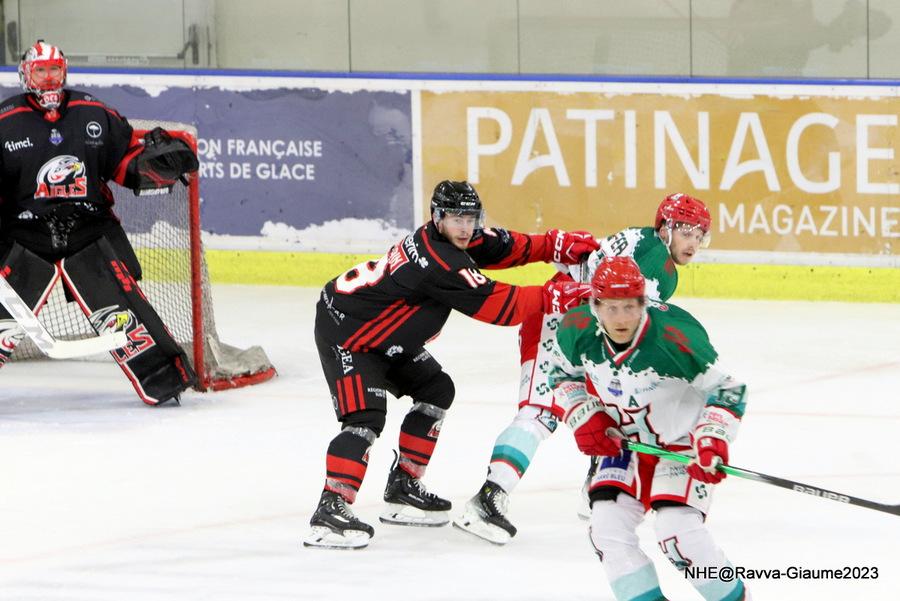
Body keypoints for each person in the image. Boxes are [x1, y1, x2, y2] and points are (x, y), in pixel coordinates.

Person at [304, 180, 599, 549]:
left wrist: (551, 244)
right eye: (457, 219)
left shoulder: (453, 238)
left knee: (436, 389)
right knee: (365, 418)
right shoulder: (437, 260)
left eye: (470, 218)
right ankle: (330, 508)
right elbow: (498, 305)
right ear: (437, 217)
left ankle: (404, 483)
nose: (465, 227)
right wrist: (553, 296)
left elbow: (506, 246)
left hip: (386, 337)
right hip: (349, 336)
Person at [454, 193, 711, 544]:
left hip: (581, 320)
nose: (693, 242)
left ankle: (599, 491)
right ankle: (488, 499)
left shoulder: (642, 239)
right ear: (665, 228)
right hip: (561, 319)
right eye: (686, 232)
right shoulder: (658, 263)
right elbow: (630, 319)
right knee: (540, 413)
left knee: (608, 407)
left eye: (700, 235)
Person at [0, 40, 200, 404]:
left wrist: (149, 167)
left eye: (55, 70)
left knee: (123, 310)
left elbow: (123, 162)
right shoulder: (5, 121)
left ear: (64, 71)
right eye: (41, 71)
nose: (49, 78)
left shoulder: (92, 112)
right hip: (25, 234)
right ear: (26, 75)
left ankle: (164, 376)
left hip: (88, 229)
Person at [548, 256, 750, 601]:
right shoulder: (577, 329)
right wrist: (584, 414)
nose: (621, 318)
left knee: (678, 534)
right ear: (595, 305)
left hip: (680, 446)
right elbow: (560, 375)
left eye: (630, 307)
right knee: (606, 531)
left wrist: (711, 437)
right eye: (611, 308)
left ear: (644, 303)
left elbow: (728, 389)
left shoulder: (674, 338)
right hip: (624, 446)